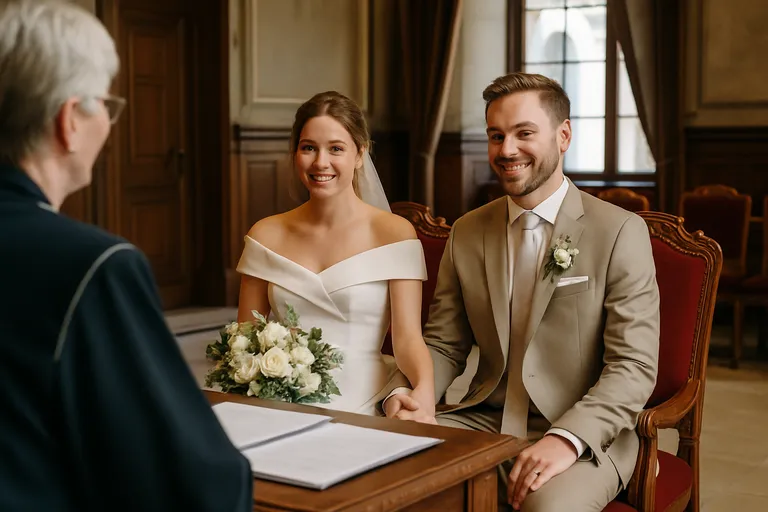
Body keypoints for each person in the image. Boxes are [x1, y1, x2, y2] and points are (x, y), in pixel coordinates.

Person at [0, 1, 252, 510]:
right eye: (105, 105)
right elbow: (184, 477)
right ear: (70, 120)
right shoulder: (93, 266)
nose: (109, 124)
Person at [385, 72, 660, 511]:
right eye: (496, 136)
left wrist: (566, 438)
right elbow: (444, 344)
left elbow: (633, 366)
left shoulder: (619, 231)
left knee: (545, 509)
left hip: (585, 436)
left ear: (563, 135)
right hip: (481, 420)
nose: (507, 150)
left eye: (524, 133)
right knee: (386, 481)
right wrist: (411, 393)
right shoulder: (467, 231)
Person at [236, 91, 436, 421]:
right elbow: (245, 338)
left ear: (360, 154)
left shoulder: (394, 233)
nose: (320, 162)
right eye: (308, 148)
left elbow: (407, 340)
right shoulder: (266, 234)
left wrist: (424, 391)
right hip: (282, 397)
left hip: (365, 395)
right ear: (295, 153)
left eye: (336, 149)